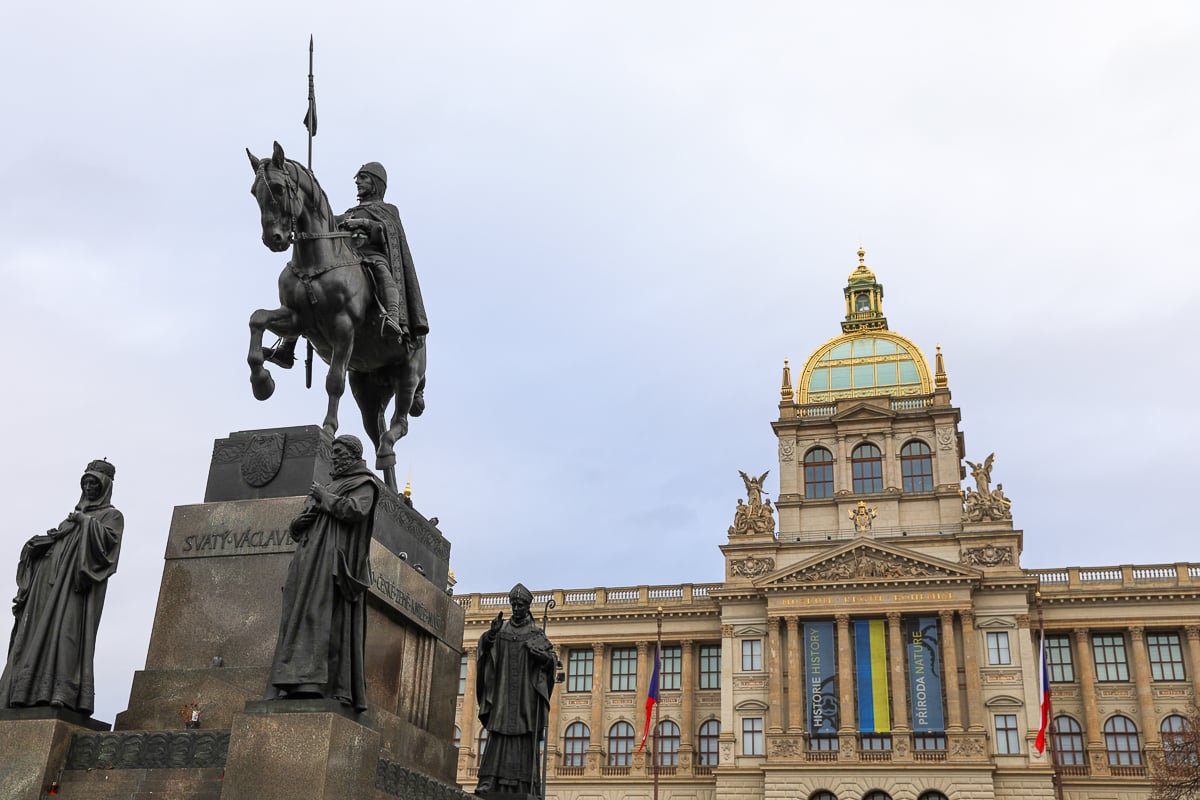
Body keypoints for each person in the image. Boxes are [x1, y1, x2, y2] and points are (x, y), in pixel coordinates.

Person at [264, 162, 429, 368]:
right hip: (347, 259)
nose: (358, 182)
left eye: (363, 178)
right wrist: (309, 193)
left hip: (372, 257)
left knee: (382, 272)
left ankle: (393, 318)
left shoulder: (387, 210)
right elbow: (324, 222)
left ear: (376, 183)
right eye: (358, 178)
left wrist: (364, 224)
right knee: (304, 288)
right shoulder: (351, 211)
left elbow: (389, 230)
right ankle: (287, 347)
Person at [0, 459, 123, 715]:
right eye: (86, 482)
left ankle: (60, 693)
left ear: (105, 486)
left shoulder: (111, 515)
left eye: (94, 483)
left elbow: (108, 547)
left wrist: (84, 523)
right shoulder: (69, 519)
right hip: (46, 590)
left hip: (74, 591)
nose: (89, 487)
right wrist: (39, 546)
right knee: (35, 636)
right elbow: (57, 542)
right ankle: (25, 693)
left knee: (67, 636)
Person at [266, 435, 378, 709]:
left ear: (352, 454)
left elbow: (355, 510)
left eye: (339, 452)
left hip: (331, 562)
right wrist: (298, 523)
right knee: (300, 617)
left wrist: (324, 497)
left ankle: (320, 683)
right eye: (333, 452)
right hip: (308, 560)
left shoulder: (364, 483)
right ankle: (293, 681)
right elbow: (302, 522)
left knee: (323, 618)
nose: (334, 457)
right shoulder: (329, 484)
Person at [475, 583, 556, 796]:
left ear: (527, 606)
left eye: (520, 605)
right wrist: (490, 635)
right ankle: (489, 781)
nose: (517, 608)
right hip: (502, 692)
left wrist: (544, 659)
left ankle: (525, 784)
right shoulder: (500, 630)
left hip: (525, 695)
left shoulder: (536, 633)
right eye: (514, 604)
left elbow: (550, 662)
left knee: (523, 736)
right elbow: (484, 649)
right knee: (498, 733)